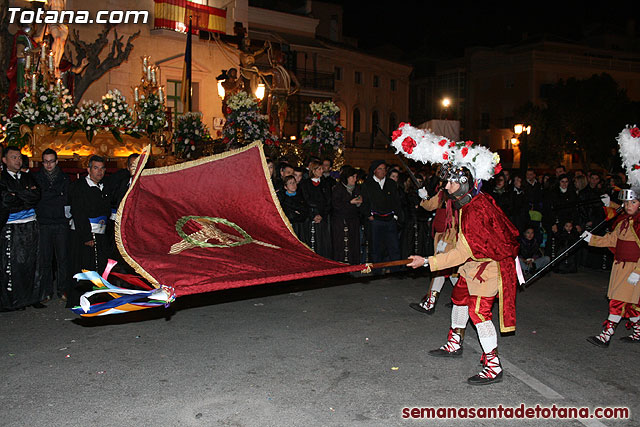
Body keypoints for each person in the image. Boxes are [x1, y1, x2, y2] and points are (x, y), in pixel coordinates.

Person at [407, 164, 520, 385]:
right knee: (459, 299)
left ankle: (493, 366)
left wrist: (427, 261)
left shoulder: (475, 211)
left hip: (487, 268)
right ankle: (455, 343)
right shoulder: (473, 203)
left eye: (452, 182)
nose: (447, 187)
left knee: (479, 313)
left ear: (466, 183)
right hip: (472, 265)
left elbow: (460, 252)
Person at [582, 187, 640, 346]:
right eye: (627, 202)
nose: (629, 205)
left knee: (618, 301)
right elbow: (611, 240)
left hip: (633, 268)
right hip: (620, 267)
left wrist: (638, 271)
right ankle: (638, 331)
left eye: (633, 202)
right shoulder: (625, 222)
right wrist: (592, 239)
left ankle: (606, 334)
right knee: (629, 303)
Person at [0, 146, 43, 311]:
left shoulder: (27, 177)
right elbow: (6, 200)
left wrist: (17, 195)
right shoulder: (3, 179)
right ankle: (13, 300)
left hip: (31, 225)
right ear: (4, 160)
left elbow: (36, 196)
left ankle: (31, 297)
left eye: (19, 157)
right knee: (13, 263)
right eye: (13, 157)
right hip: (12, 227)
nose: (18, 161)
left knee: (32, 261)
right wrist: (22, 196)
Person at [67, 155, 112, 307]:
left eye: (102, 168)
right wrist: (86, 236)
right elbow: (78, 213)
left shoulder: (105, 186)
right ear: (88, 169)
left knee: (100, 266)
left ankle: (99, 299)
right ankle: (81, 300)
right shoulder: (79, 186)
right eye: (95, 168)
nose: (99, 172)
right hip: (84, 234)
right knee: (84, 267)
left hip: (101, 234)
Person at [410, 179, 459, 314]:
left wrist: (426, 197)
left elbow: (431, 205)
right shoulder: (445, 193)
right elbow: (431, 205)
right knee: (451, 270)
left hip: (451, 236)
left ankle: (431, 303)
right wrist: (425, 197)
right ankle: (461, 299)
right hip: (445, 235)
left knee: (441, 268)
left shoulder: (459, 195)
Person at [33, 148, 71, 301]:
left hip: (61, 222)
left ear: (56, 162)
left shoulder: (64, 178)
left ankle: (62, 289)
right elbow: (36, 198)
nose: (48, 165)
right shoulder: (36, 177)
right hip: (44, 222)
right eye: (45, 162)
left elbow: (67, 198)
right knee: (45, 259)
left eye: (51, 161)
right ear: (42, 163)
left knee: (63, 259)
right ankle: (46, 290)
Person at [360, 160, 403, 269]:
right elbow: (364, 202)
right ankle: (377, 270)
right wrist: (369, 215)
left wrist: (396, 216)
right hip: (375, 220)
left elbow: (396, 201)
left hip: (390, 219)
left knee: (393, 246)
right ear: (374, 170)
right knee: (375, 247)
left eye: (384, 169)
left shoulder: (391, 183)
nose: (383, 171)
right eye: (380, 169)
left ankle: (395, 270)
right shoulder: (367, 184)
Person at [299, 160, 332, 258]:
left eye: (322, 168)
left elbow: (329, 201)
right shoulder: (305, 184)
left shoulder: (325, 184)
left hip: (323, 217)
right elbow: (305, 200)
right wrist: (314, 214)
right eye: (319, 169)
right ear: (313, 170)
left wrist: (321, 214)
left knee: (322, 242)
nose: (322, 171)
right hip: (310, 216)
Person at [330, 166, 362, 264]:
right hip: (341, 221)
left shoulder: (357, 188)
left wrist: (359, 202)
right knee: (341, 244)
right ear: (346, 178)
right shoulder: (338, 188)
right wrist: (349, 202)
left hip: (353, 220)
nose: (354, 179)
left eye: (356, 177)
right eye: (352, 177)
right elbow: (335, 205)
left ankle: (353, 264)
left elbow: (360, 203)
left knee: (353, 243)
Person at [278, 175, 311, 245]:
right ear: (285, 187)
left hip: (301, 227)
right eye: (290, 183)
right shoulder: (283, 199)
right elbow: (288, 214)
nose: (293, 185)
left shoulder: (301, 196)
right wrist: (295, 213)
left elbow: (305, 211)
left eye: (294, 182)